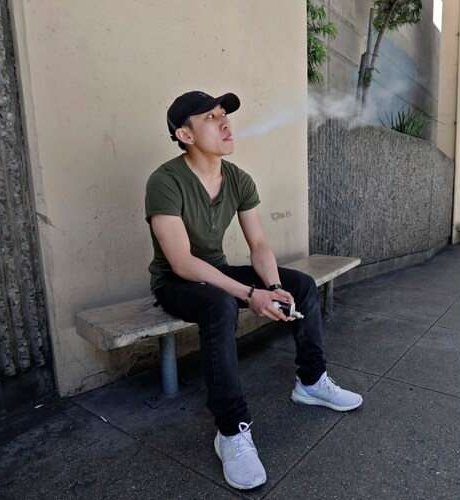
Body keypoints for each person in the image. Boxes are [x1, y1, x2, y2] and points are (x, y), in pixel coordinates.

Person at [145, 91, 363, 490]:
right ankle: (231, 431)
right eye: (211, 117)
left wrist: (274, 287)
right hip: (177, 282)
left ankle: (311, 382)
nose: (225, 123)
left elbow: (259, 245)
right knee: (219, 307)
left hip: (217, 271)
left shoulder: (238, 180)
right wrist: (248, 295)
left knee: (300, 283)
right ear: (185, 134)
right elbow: (181, 262)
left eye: (224, 114)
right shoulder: (165, 181)